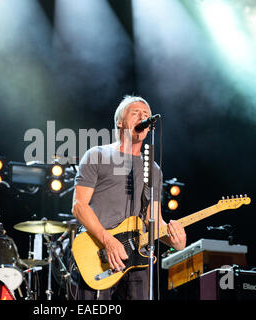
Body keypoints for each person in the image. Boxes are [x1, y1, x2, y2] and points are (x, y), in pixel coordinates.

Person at [72, 95, 187, 300]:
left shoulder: (154, 170)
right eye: (135, 113)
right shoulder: (97, 155)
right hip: (99, 253)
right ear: (120, 122)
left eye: (146, 115)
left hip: (137, 259)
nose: (143, 117)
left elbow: (155, 221)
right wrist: (108, 241)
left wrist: (176, 241)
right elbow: (79, 206)